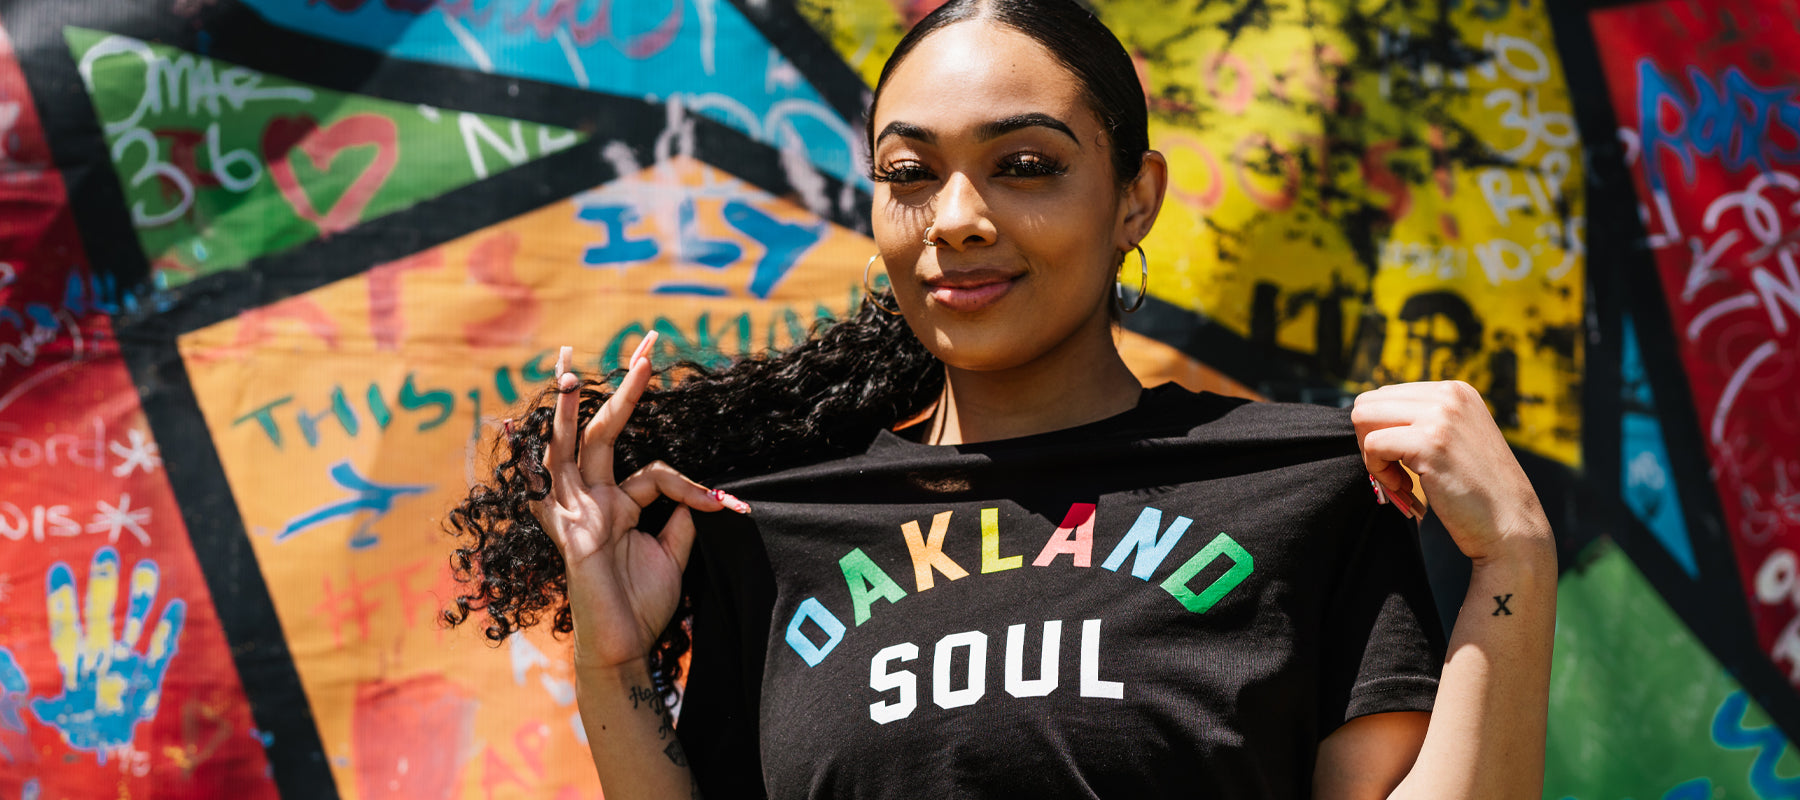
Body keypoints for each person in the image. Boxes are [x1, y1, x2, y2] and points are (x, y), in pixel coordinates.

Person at [445, 1, 1556, 797]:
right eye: (911, 173)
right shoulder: (768, 535)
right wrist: (614, 662)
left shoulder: (1302, 493)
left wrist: (1512, 559)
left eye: (1025, 165)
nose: (957, 216)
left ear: (1134, 198)